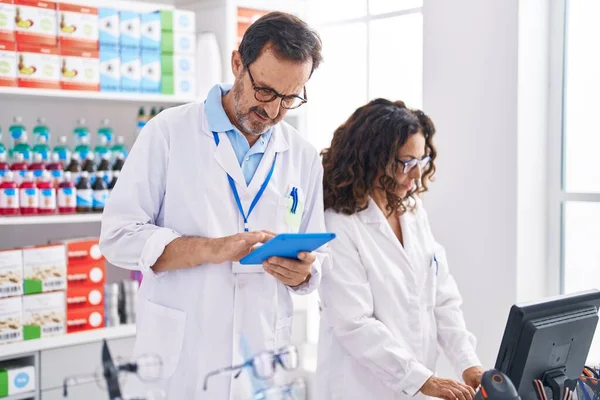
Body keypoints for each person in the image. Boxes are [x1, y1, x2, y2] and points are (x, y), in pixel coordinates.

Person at [99, 12, 326, 400]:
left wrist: (304, 273)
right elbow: (118, 237)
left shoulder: (302, 155)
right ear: (238, 64)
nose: (273, 111)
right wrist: (214, 248)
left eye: (290, 99)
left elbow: (318, 258)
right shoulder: (168, 132)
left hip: (261, 359)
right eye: (266, 92)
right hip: (184, 362)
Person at [316, 98, 484, 400]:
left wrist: (467, 362)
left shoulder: (412, 211)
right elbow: (354, 324)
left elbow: (442, 299)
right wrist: (424, 380)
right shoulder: (338, 225)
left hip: (414, 387)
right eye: (406, 162)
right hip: (359, 390)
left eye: (421, 161)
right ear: (372, 160)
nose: (417, 173)